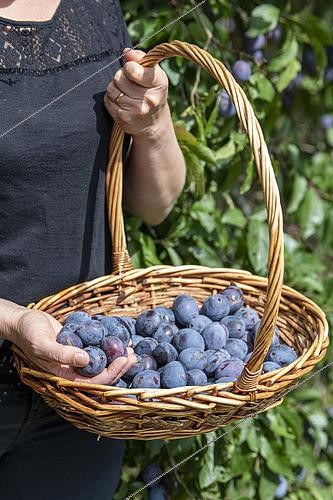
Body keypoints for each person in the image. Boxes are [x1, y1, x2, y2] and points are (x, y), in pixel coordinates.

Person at [0, 1, 186, 498]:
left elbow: (157, 205)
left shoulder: (95, 9)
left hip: (86, 390)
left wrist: (153, 125)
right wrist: (13, 322)